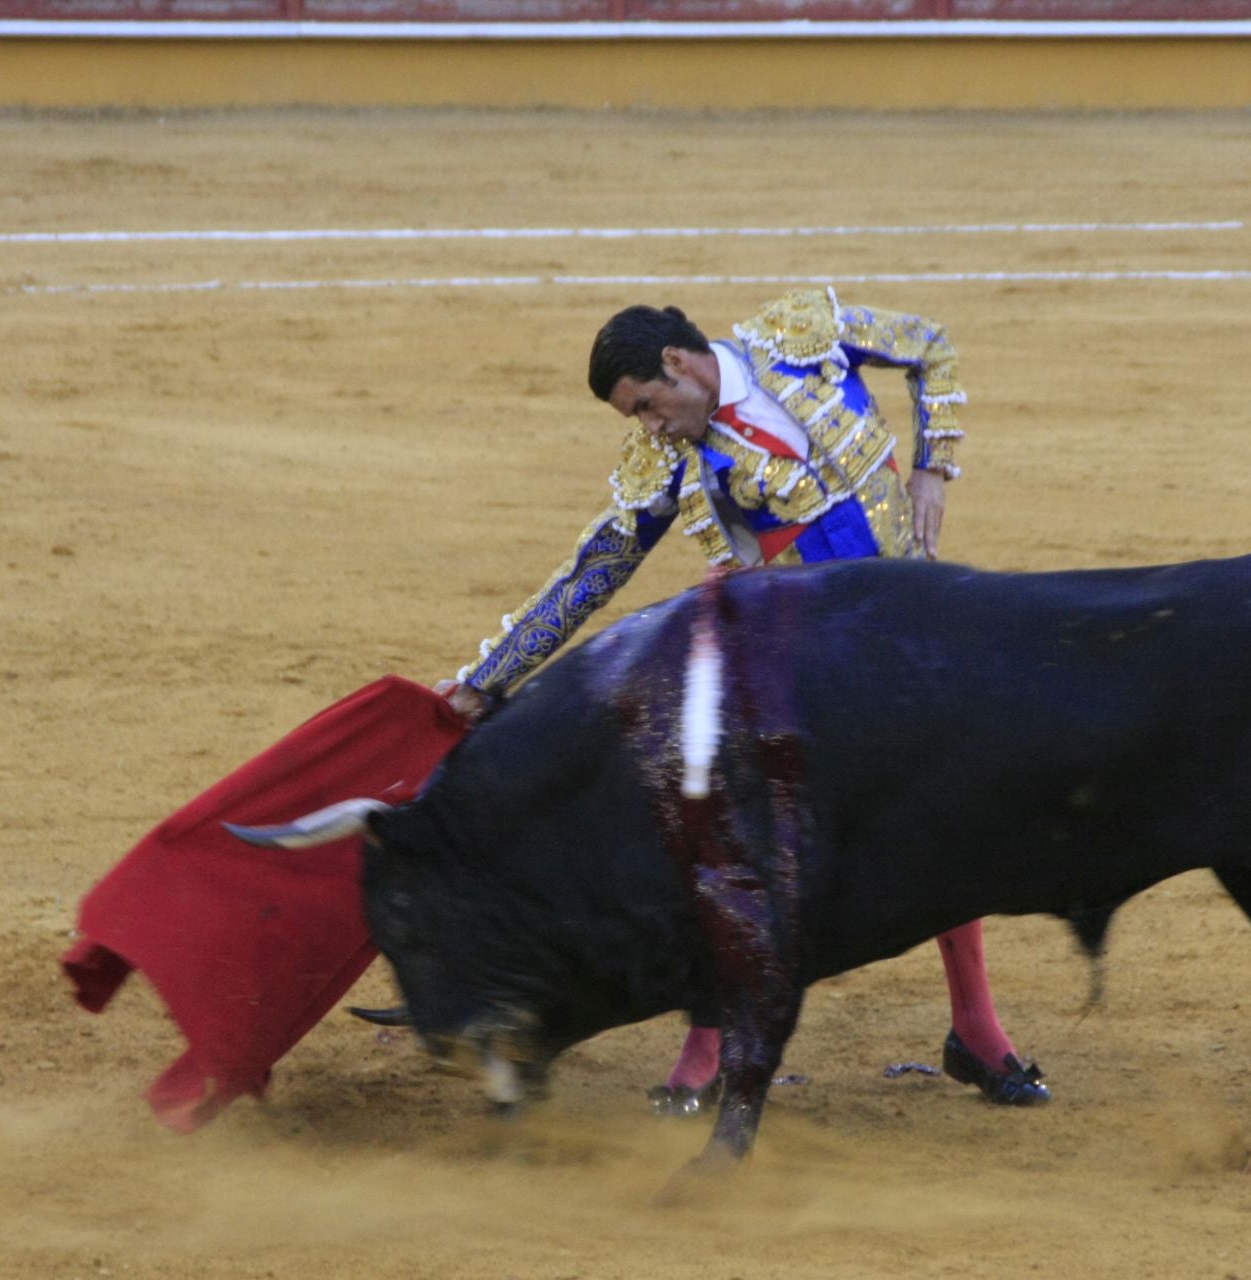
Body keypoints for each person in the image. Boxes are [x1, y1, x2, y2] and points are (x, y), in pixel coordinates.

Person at [434, 287, 1047, 1112]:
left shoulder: (801, 336)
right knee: (739, 840)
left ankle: (976, 1030)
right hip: (796, 668)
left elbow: (930, 346)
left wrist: (936, 463)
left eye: (648, 405)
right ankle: (708, 1044)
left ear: (679, 364)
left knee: (946, 817)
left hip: (906, 632)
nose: (649, 427)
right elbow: (593, 571)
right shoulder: (664, 462)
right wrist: (485, 679)